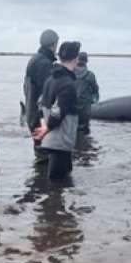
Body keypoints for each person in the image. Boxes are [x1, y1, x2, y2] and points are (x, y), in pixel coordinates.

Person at [32, 41, 81, 180]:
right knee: (59, 182)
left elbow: (40, 103)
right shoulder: (68, 84)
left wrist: (43, 126)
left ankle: (50, 199)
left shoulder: (50, 79)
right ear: (75, 59)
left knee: (58, 181)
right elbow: (57, 111)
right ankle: (53, 201)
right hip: (61, 142)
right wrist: (45, 129)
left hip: (51, 140)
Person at [24, 29, 59, 158]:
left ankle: (38, 177)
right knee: (45, 157)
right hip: (39, 119)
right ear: (54, 44)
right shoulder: (44, 63)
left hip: (31, 114)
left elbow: (26, 89)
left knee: (40, 152)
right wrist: (46, 121)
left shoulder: (34, 59)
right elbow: (46, 96)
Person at [73, 50, 99, 134]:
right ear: (86, 61)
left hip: (72, 107)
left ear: (77, 60)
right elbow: (95, 90)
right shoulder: (90, 75)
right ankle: (85, 145)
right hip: (85, 109)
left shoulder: (70, 73)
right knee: (85, 130)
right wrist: (93, 100)